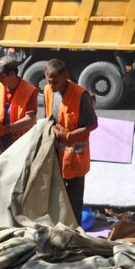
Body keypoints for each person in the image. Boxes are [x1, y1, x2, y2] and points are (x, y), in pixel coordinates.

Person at [43, 59, 97, 223]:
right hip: (55, 158)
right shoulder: (48, 91)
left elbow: (92, 124)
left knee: (73, 204)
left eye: (55, 82)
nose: (51, 86)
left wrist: (69, 135)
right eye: (48, 81)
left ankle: (74, 233)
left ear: (65, 77)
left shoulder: (80, 95)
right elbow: (48, 118)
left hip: (75, 160)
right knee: (56, 201)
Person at [0, 59, 39, 161]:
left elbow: (30, 119)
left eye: (2, 76)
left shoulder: (29, 90)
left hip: (19, 144)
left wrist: (6, 129)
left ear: (12, 74)